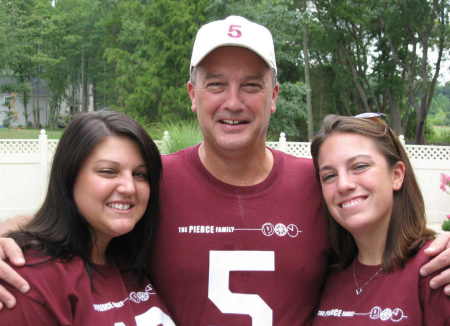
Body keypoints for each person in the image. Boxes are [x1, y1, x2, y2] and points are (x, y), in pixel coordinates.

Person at [0, 16, 450, 326]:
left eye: (251, 85)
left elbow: (377, 228)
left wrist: (436, 241)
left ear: (274, 96)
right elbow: (81, 221)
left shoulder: (317, 183)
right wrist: (14, 237)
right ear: (192, 93)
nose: (233, 102)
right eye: (216, 83)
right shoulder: (153, 182)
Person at [0, 111, 175, 325]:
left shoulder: (130, 259)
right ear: (69, 177)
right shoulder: (29, 280)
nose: (129, 188)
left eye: (140, 174)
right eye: (108, 171)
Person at [310, 114, 450, 325]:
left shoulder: (437, 271)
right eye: (329, 176)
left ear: (397, 175)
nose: (343, 185)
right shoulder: (328, 276)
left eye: (359, 166)